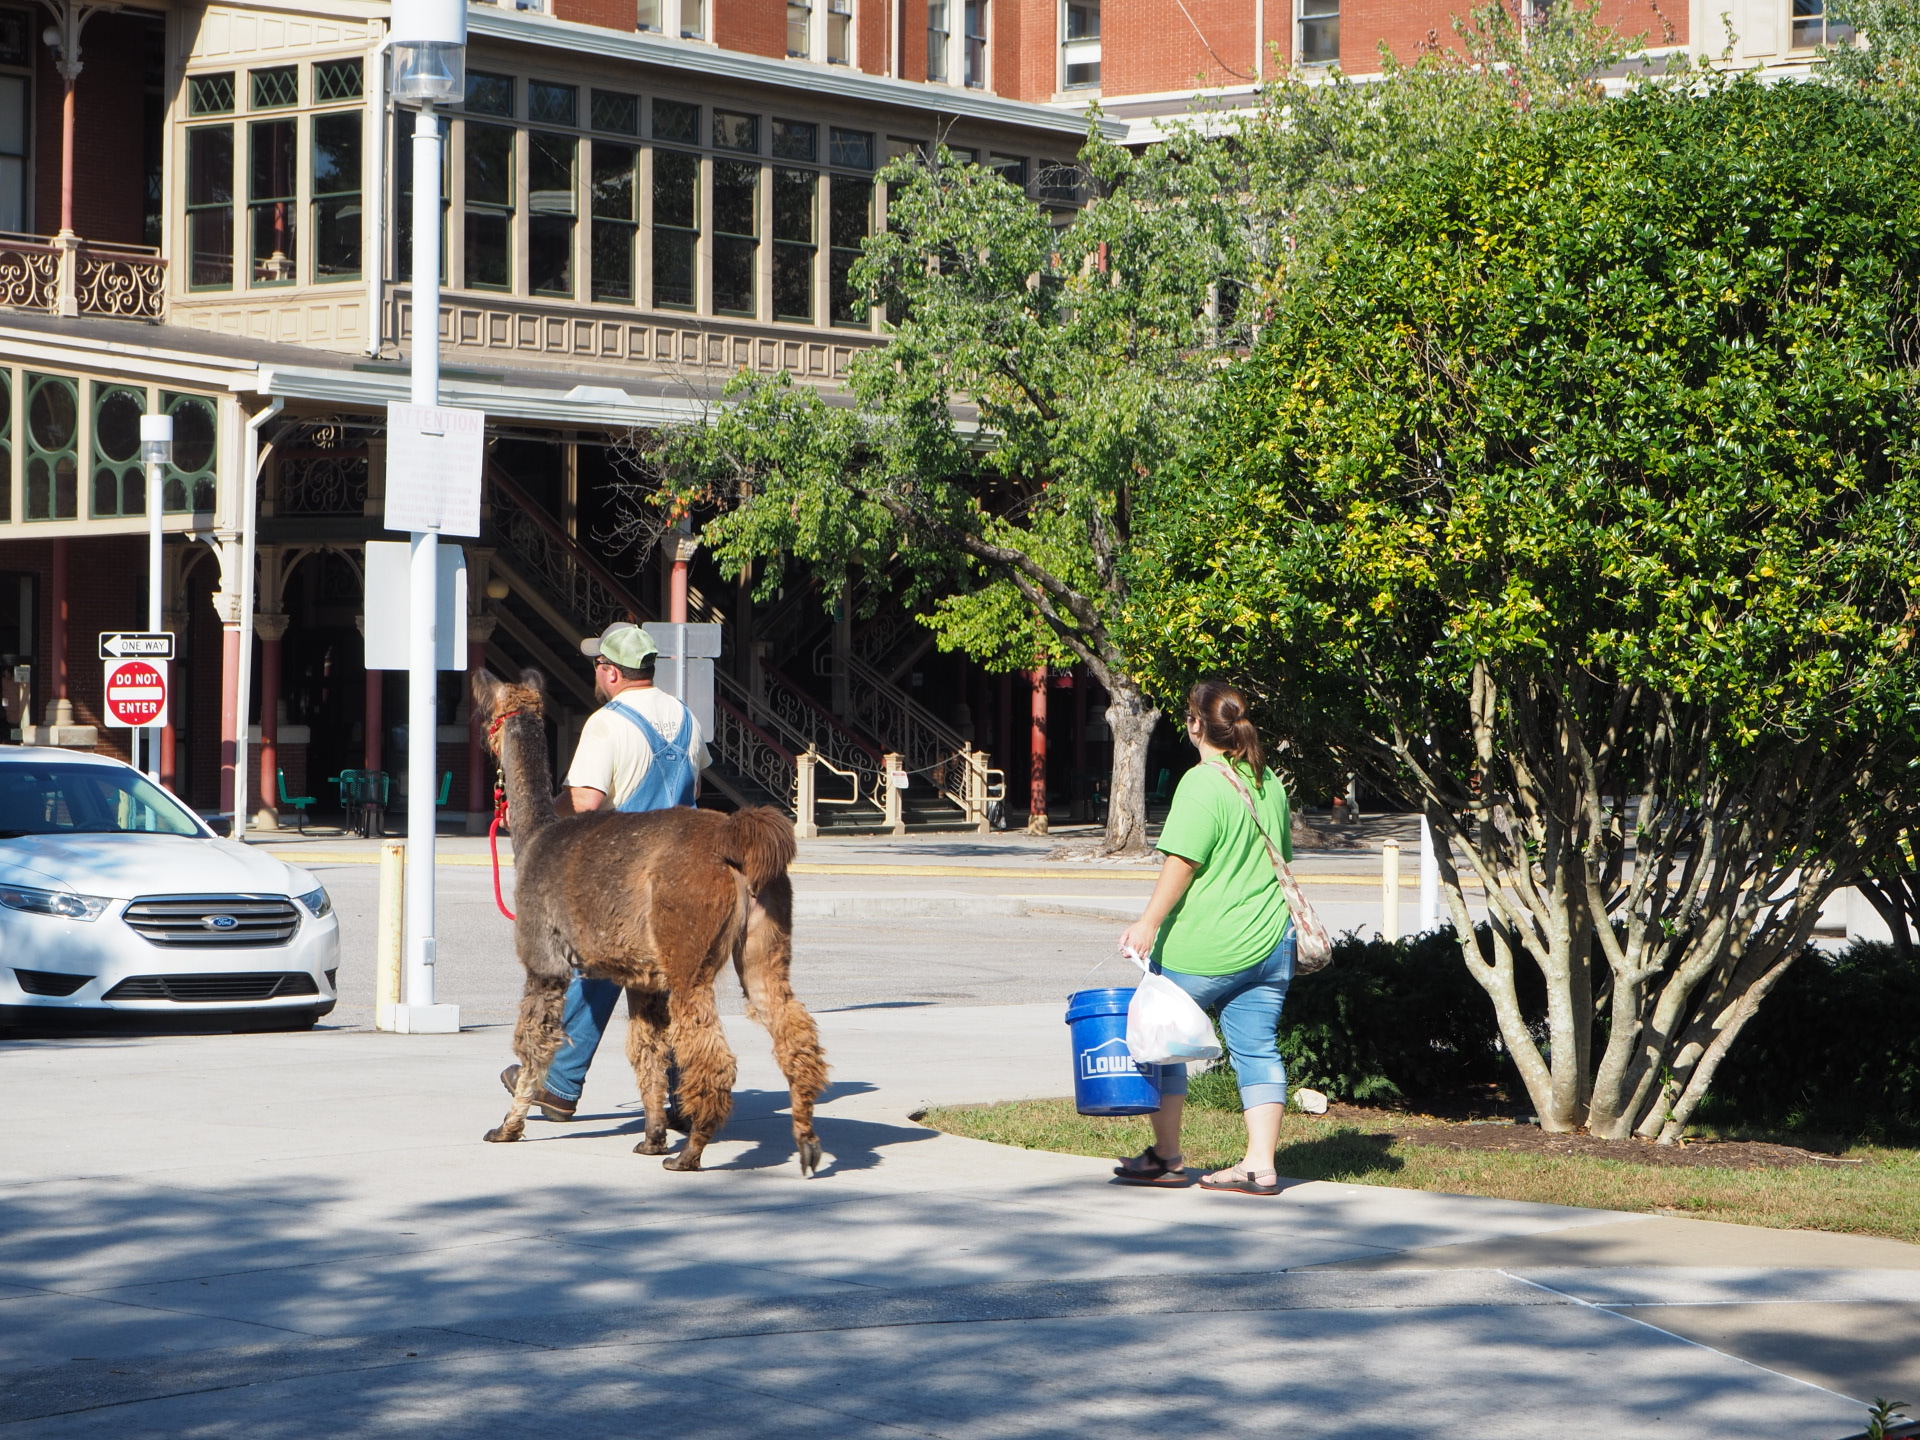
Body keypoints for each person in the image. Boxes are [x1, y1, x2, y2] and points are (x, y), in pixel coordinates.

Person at [499, 621, 710, 1120]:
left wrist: (535, 816)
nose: (597, 673)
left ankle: (558, 1081)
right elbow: (695, 790)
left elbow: (586, 800)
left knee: (595, 968)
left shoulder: (607, 722)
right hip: (685, 865)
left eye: (598, 665)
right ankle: (686, 1096)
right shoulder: (687, 717)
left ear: (611, 671)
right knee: (673, 981)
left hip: (625, 868)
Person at [1115, 681, 1296, 1195]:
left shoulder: (1200, 782)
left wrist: (1148, 922)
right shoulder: (1268, 780)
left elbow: (1183, 861)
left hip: (1206, 947)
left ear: (1196, 724)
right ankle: (1260, 1166)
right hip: (1271, 942)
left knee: (1160, 1041)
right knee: (1258, 1049)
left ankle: (1167, 1157)